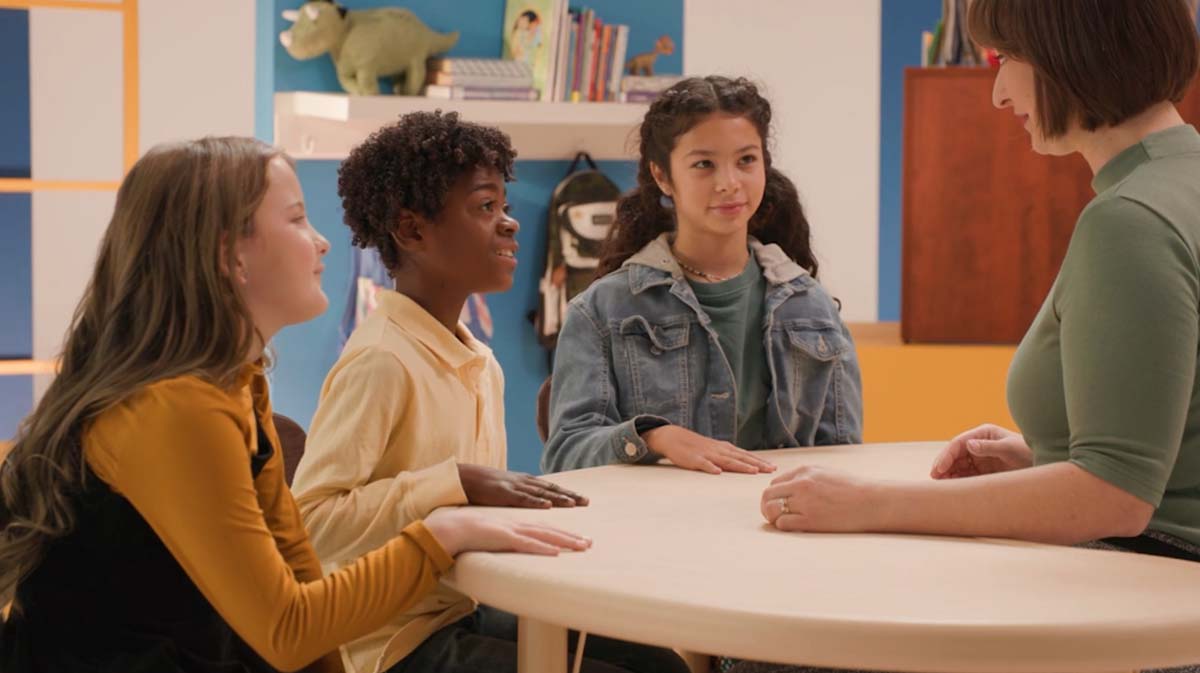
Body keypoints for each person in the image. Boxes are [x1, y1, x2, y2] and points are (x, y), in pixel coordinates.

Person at [0, 136, 590, 673]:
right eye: (298, 219)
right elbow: (288, 629)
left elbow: (301, 579)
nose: (323, 240)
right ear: (230, 254)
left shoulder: (238, 383)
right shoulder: (174, 409)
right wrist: (442, 532)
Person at [760, 0, 1200, 557]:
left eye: (1007, 58)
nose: (998, 94)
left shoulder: (1130, 219)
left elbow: (1113, 497)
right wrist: (1046, 454)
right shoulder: (1180, 180)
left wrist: (868, 503)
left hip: (1151, 583)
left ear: (1075, 52)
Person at [291, 111, 689, 673]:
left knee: (660, 665)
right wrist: (455, 482)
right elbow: (313, 521)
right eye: (485, 208)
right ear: (412, 231)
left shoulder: (479, 360)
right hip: (388, 642)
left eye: (504, 206)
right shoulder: (381, 359)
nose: (510, 224)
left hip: (460, 609)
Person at [542, 75, 863, 476]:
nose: (729, 184)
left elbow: (844, 461)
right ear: (662, 176)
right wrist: (653, 438)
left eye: (746, 160)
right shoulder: (601, 311)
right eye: (703, 165)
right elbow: (565, 454)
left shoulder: (812, 307)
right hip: (655, 531)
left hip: (782, 528)